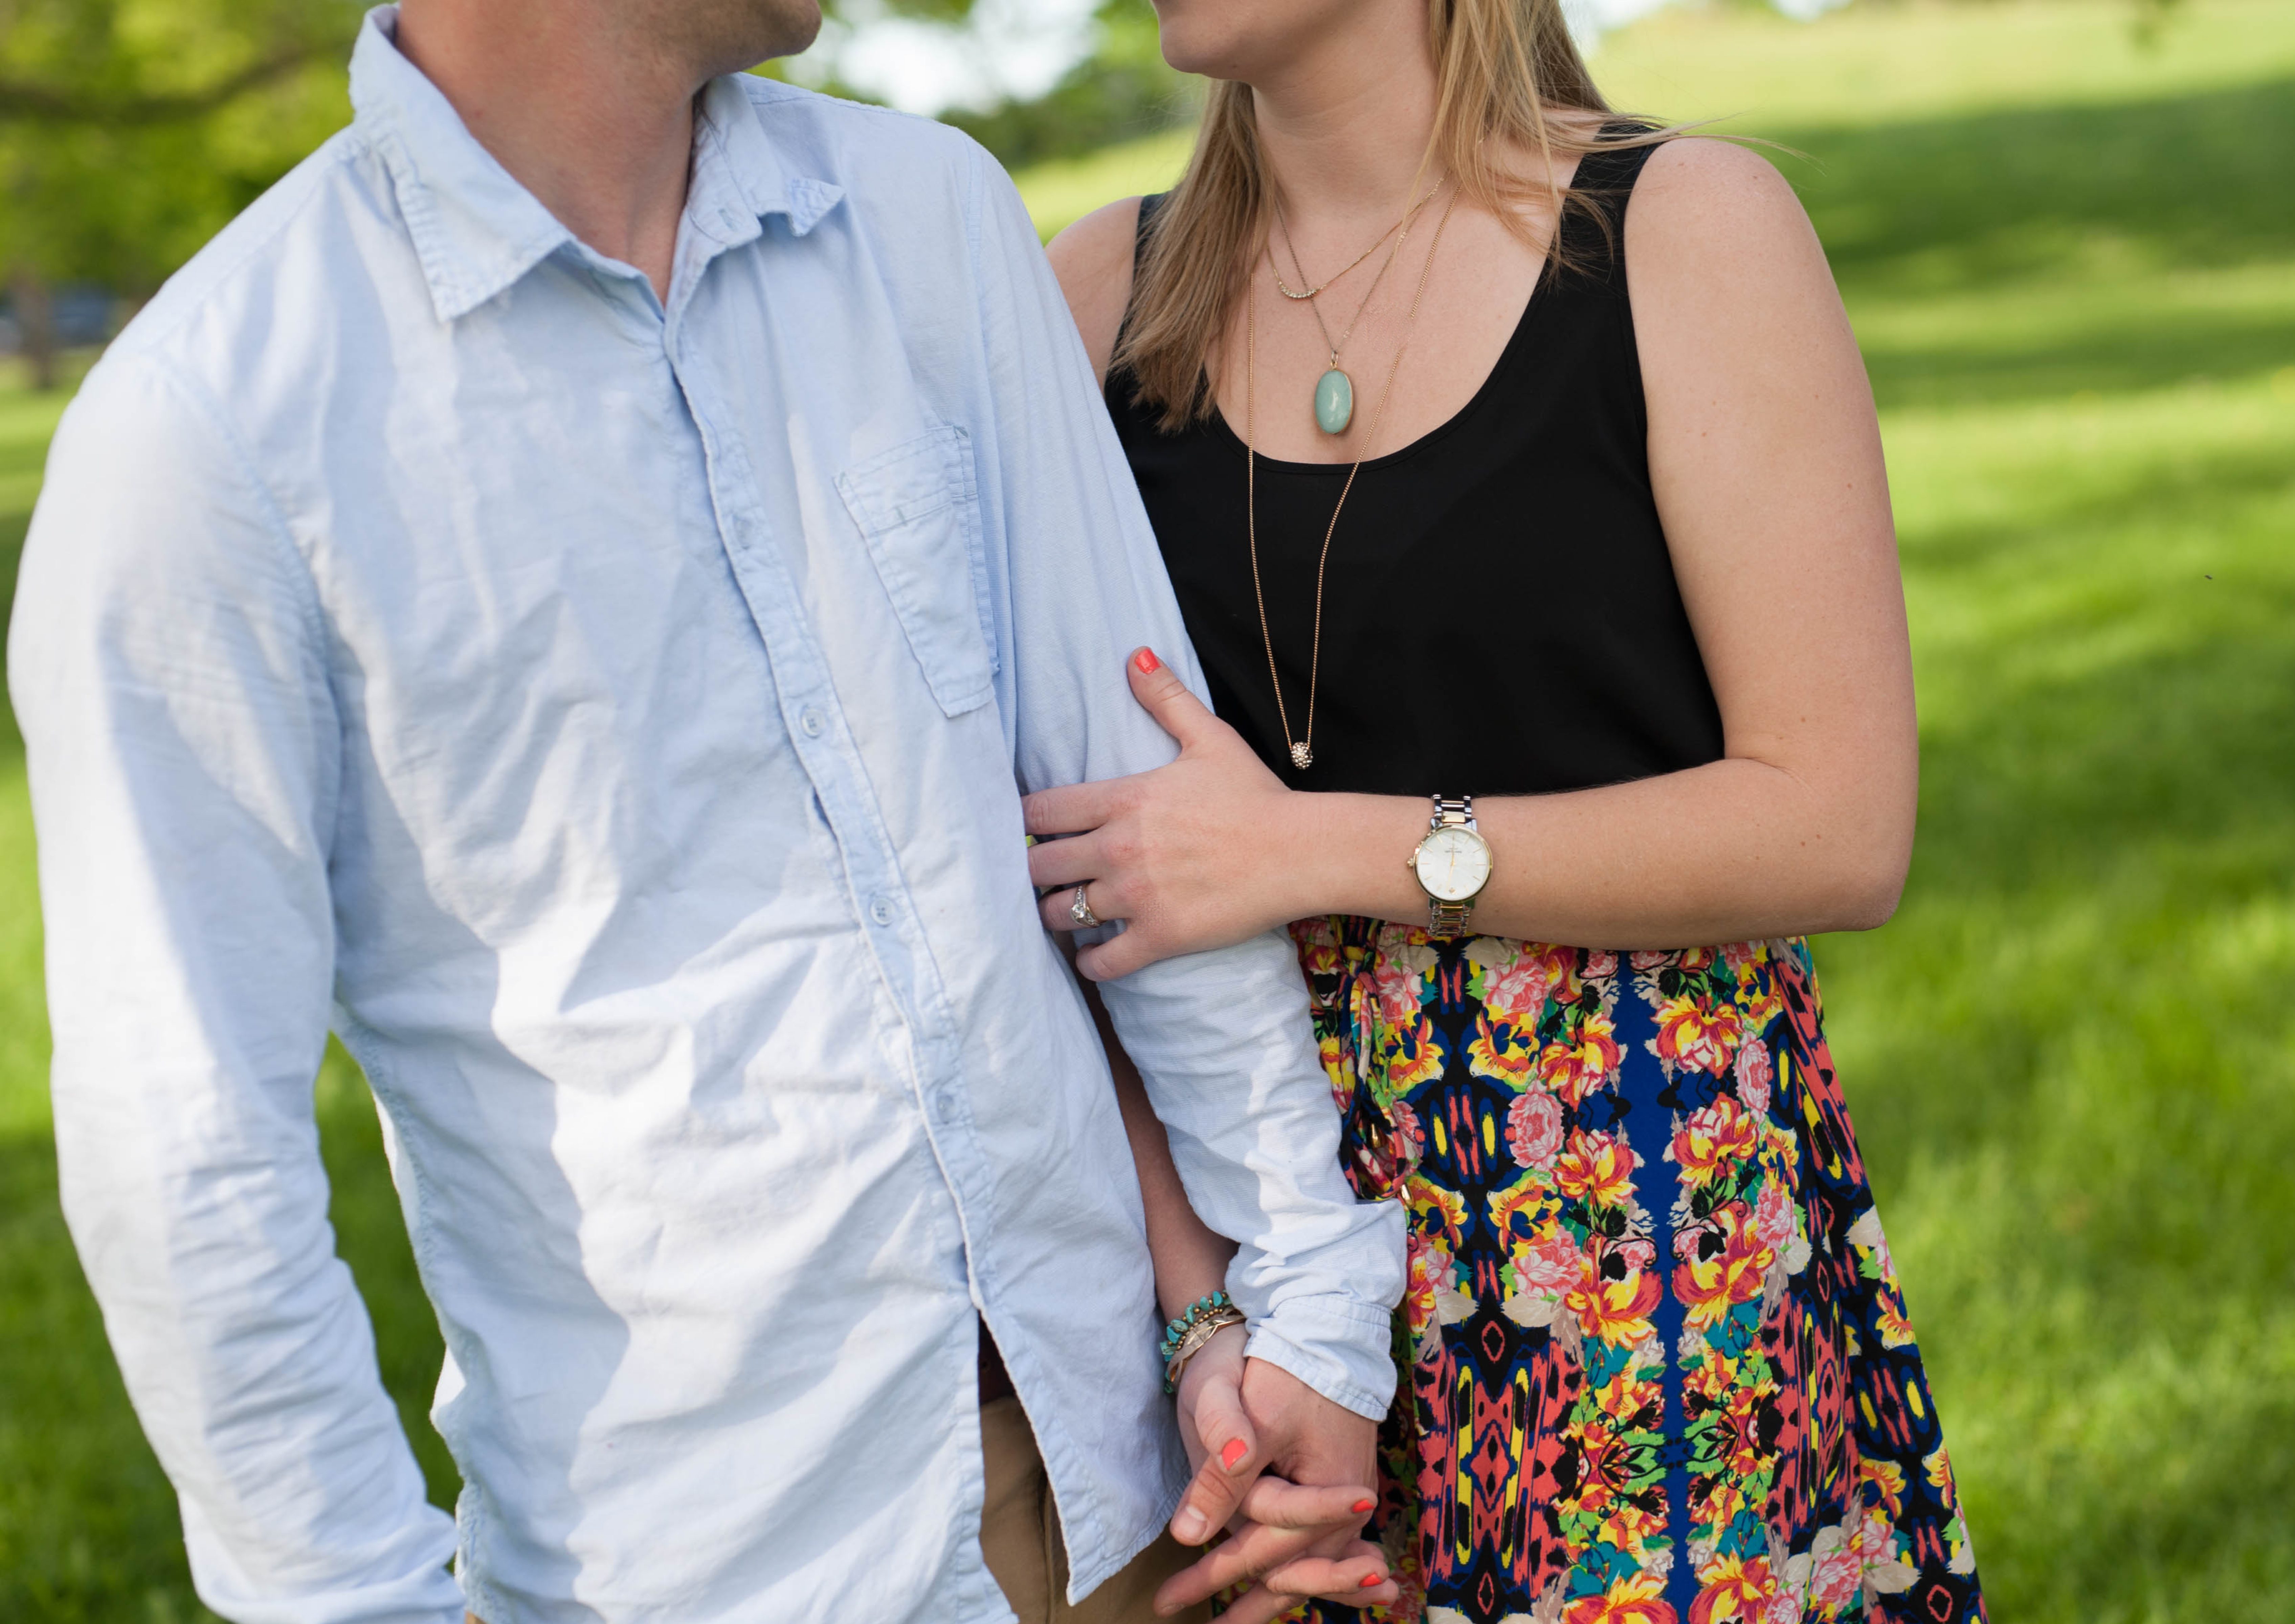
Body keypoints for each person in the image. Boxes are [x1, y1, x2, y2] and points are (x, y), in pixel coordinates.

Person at [5, 1, 1411, 1620]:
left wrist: (1301, 1295)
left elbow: (1134, 803)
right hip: (713, 1570)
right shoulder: (210, 435)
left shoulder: (929, 219)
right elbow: (191, 1164)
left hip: (1148, 1502)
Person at [1032, 0, 1987, 1620]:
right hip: (1244, 1292)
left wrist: (1320, 850)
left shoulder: (1679, 234)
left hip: (1652, 1279)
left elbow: (1838, 817)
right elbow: (1041, 891)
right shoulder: (1095, 297)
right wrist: (1211, 1323)